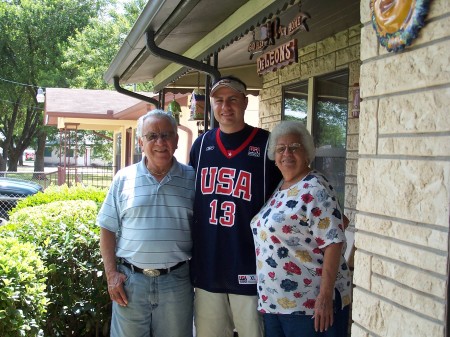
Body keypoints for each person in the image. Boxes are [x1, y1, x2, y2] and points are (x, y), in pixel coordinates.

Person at [189, 76, 282, 337]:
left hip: (252, 267)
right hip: (209, 266)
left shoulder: (267, 145)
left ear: (245, 101)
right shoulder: (201, 145)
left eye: (232, 99)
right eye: (219, 100)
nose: (225, 106)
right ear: (211, 105)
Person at [97, 109, 195, 337]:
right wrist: (111, 275)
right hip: (131, 283)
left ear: (176, 140)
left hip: (177, 282)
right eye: (152, 136)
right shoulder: (124, 178)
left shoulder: (193, 178)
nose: (160, 142)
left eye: (166, 135)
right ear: (141, 142)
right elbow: (107, 228)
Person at [250, 120, 351, 337]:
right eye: (281, 148)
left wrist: (324, 297)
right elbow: (341, 220)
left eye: (294, 147)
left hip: (308, 306)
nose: (287, 153)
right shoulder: (284, 185)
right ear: (274, 156)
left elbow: (334, 240)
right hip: (276, 303)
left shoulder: (315, 186)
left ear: (307, 153)